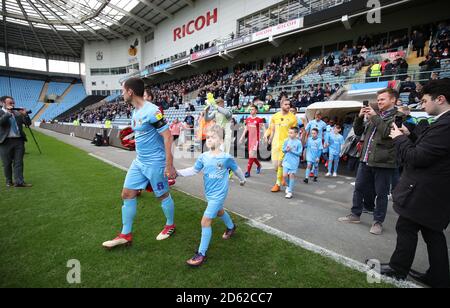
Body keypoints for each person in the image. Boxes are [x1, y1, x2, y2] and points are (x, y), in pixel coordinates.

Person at [375, 79, 450, 288]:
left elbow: (417, 157)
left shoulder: (446, 124)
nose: (423, 105)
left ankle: (398, 269)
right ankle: (439, 276)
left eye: (425, 101)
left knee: (406, 226)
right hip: (437, 192)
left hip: (427, 191)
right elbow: (432, 149)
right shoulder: (443, 123)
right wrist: (411, 133)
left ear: (441, 99)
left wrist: (399, 138)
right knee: (433, 233)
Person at [102, 78, 177, 249]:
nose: (121, 94)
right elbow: (146, 135)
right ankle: (125, 235)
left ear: (130, 92)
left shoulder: (152, 111)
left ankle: (170, 225)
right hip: (139, 162)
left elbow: (168, 137)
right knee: (127, 194)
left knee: (162, 195)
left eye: (123, 91)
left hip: (155, 163)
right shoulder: (135, 111)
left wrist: (169, 165)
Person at [177, 125, 246, 267]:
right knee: (219, 211)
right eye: (207, 137)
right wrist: (177, 173)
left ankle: (201, 254)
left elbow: (236, 169)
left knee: (205, 222)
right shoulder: (203, 157)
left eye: (213, 137)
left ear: (221, 140)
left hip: (219, 194)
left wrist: (242, 179)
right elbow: (193, 170)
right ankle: (231, 227)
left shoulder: (226, 157)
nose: (209, 139)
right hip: (209, 193)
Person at [338, 88, 404, 235]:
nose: (379, 102)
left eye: (382, 99)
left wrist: (374, 116)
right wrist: (360, 117)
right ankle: (355, 215)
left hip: (384, 162)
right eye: (378, 99)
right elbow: (358, 131)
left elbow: (388, 133)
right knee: (359, 189)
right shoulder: (376, 115)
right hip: (365, 160)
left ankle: (378, 222)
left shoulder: (398, 116)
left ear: (393, 100)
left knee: (381, 194)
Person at [264, 99, 298, 192]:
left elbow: (295, 132)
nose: (288, 106)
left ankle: (277, 184)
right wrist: (266, 135)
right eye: (286, 104)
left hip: (286, 145)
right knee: (275, 165)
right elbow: (271, 128)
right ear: (281, 105)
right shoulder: (275, 116)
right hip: (275, 144)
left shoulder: (293, 118)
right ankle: (282, 176)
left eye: (289, 104)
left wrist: (294, 143)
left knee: (280, 164)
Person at [0, 96, 32, 188]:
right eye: (10, 103)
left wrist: (25, 114)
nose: (13, 105)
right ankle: (9, 181)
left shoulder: (17, 113)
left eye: (13, 103)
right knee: (6, 163)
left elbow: (28, 124)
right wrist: (8, 113)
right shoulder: (1, 112)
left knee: (18, 162)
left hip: (19, 141)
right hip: (5, 141)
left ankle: (19, 182)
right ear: (3, 103)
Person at [239, 105, 265, 178]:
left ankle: (248, 172)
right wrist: (241, 137)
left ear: (256, 111)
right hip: (250, 139)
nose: (251, 111)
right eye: (250, 109)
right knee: (252, 155)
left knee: (251, 155)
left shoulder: (259, 119)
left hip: (256, 140)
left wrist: (264, 137)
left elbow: (263, 128)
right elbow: (246, 129)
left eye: (252, 109)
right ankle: (259, 165)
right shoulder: (248, 119)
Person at [282, 127, 303, 199]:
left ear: (296, 134)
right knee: (284, 175)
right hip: (286, 161)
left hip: (294, 162)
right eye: (289, 132)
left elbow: (300, 153)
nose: (289, 134)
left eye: (291, 133)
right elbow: (283, 150)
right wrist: (286, 149)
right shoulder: (286, 140)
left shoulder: (298, 142)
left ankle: (290, 192)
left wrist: (291, 151)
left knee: (291, 175)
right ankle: (288, 186)